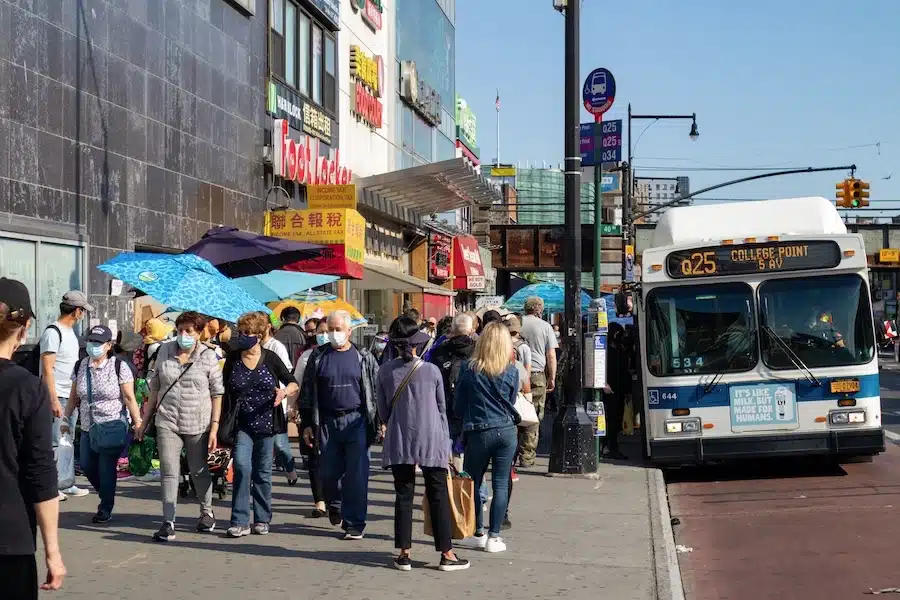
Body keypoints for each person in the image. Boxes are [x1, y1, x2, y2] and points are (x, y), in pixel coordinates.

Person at [376, 317, 469, 572]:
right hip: (431, 438)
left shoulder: (384, 372)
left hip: (399, 438)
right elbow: (442, 408)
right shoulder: (431, 371)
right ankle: (447, 553)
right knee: (438, 494)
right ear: (417, 342)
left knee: (404, 495)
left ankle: (404, 553)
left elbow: (383, 411)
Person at [0, 278, 66, 596]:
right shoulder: (28, 388)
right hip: (9, 540)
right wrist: (53, 552)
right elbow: (40, 474)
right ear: (25, 328)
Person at [139, 311, 224, 542]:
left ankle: (206, 512)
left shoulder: (209, 355)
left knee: (198, 470)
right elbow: (154, 388)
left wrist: (214, 427)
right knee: (169, 470)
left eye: (189, 331)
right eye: (180, 330)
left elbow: (217, 393)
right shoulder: (164, 351)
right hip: (167, 420)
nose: (183, 335)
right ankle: (168, 521)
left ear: (198, 333)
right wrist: (144, 422)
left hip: (198, 422)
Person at [299, 310, 379, 540]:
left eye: (337, 330)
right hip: (326, 422)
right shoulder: (318, 357)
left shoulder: (363, 357)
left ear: (349, 331)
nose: (333, 334)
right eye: (330, 329)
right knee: (328, 473)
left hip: (356, 421)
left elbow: (374, 390)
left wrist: (380, 422)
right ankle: (334, 503)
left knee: (357, 475)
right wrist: (306, 424)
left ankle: (355, 523)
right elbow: (307, 392)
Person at [222, 312, 299, 538]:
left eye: (249, 333)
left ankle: (262, 518)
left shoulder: (271, 358)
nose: (244, 337)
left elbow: (293, 383)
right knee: (242, 468)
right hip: (242, 424)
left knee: (263, 472)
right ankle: (239, 520)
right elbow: (224, 390)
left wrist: (283, 392)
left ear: (260, 334)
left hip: (267, 424)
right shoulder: (233, 358)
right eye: (241, 332)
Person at [62, 325, 142, 523]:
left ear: (108, 345)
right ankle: (106, 492)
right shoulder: (80, 366)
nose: (93, 346)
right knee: (87, 465)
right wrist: (65, 418)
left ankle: (105, 507)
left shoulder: (119, 367)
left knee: (106, 468)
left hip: (112, 425)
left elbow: (129, 397)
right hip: (89, 426)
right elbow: (73, 397)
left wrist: (138, 422)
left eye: (98, 343)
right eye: (91, 341)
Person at [455, 322, 520, 553]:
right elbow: (511, 401)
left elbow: (459, 405)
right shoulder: (512, 371)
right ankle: (495, 536)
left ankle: (478, 532)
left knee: (473, 482)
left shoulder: (468, 369)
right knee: (501, 484)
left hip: (479, 431)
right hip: (506, 430)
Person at [40, 290, 93, 500]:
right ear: (77, 311)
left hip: (70, 396)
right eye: (83, 311)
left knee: (67, 441)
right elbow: (47, 370)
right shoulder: (53, 332)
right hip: (57, 396)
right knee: (54, 442)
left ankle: (66, 482)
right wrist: (53, 400)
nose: (83, 315)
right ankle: (52, 487)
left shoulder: (70, 332)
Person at [427, 313, 476, 470]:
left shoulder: (438, 350)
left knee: (447, 443)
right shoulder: (478, 350)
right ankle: (474, 489)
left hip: (444, 403)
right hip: (471, 405)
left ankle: (449, 482)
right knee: (471, 450)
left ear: (453, 330)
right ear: (471, 330)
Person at [293, 318, 329, 517]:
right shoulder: (307, 356)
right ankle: (320, 501)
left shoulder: (346, 355)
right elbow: (297, 382)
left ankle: (333, 496)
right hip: (311, 413)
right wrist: (292, 408)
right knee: (314, 457)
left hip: (333, 414)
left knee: (333, 459)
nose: (324, 334)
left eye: (329, 330)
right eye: (321, 331)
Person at [518, 297, 558, 467]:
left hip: (514, 371)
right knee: (533, 416)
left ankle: (510, 454)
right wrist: (552, 377)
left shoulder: (516, 323)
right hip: (536, 374)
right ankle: (527, 457)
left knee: (514, 411)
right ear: (537, 309)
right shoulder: (545, 326)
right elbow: (551, 354)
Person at [261, 321, 298, 486]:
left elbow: (286, 375)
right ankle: (259, 478)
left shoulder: (276, 347)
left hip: (276, 404)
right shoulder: (247, 349)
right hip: (257, 406)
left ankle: (290, 470)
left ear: (268, 326)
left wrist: (283, 396)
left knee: (280, 444)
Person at [602, 323, 629, 460]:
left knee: (617, 419)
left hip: (618, 389)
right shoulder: (608, 351)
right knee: (612, 420)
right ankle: (610, 447)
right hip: (610, 389)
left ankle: (609, 446)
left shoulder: (618, 350)